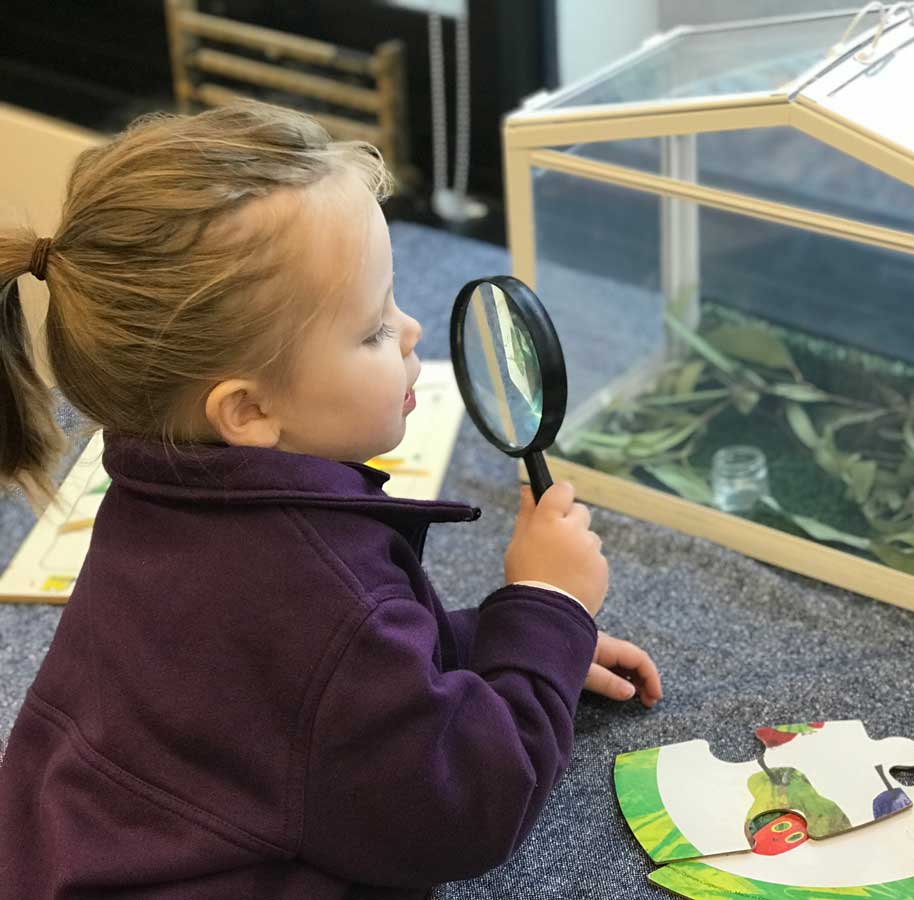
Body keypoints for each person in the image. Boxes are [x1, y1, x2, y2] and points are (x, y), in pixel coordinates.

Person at [0, 101, 662, 899]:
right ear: (248, 411)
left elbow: (291, 679)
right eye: (374, 328)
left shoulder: (162, 488)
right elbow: (464, 810)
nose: (412, 330)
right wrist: (548, 601)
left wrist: (512, 645)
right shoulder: (316, 594)